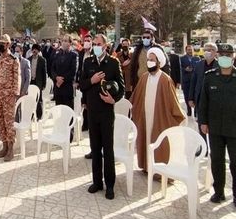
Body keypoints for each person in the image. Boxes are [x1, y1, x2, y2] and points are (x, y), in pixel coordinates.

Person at [79, 34, 125, 200]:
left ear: (105, 46)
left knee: (108, 149)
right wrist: (91, 80)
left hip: (106, 112)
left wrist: (114, 99)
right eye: (95, 44)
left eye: (99, 44)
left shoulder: (113, 63)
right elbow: (82, 85)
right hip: (92, 111)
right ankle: (97, 182)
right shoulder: (88, 62)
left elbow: (121, 87)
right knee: (95, 148)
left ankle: (110, 185)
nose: (96, 46)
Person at [130, 47, 186, 173]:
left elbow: (173, 103)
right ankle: (146, 166)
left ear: (159, 63)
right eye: (148, 59)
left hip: (160, 118)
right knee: (145, 138)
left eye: (152, 60)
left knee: (159, 142)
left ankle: (160, 170)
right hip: (145, 117)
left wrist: (178, 116)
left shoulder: (165, 79)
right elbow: (136, 98)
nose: (149, 62)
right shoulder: (144, 77)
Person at [199, 43, 236, 205]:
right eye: (222, 55)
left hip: (234, 128)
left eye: (228, 55)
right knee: (217, 161)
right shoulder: (210, 76)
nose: (225, 58)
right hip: (215, 127)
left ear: (233, 57)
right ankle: (219, 192)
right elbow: (203, 102)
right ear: (218, 57)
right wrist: (203, 122)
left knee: (235, 163)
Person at [0, 34, 20, 161]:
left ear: (8, 45)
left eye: (2, 43)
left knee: (9, 123)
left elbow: (17, 78)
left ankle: (10, 149)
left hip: (8, 97)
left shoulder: (14, 60)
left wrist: (14, 94)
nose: (0, 45)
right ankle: (4, 145)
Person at [188, 42, 218, 117]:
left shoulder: (219, 65)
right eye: (206, 50)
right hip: (200, 97)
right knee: (201, 121)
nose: (208, 52)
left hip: (214, 98)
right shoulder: (199, 65)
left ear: (216, 52)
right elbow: (193, 82)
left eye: (211, 50)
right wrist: (191, 98)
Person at [51, 34, 78, 108]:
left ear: (70, 43)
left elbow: (73, 71)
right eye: (62, 41)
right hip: (57, 87)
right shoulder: (57, 55)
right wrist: (56, 78)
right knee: (58, 110)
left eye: (66, 41)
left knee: (68, 112)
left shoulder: (73, 55)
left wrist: (62, 79)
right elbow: (53, 69)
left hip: (67, 88)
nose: (63, 43)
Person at [180, 45, 200, 117]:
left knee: (195, 96)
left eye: (191, 49)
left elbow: (199, 68)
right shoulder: (182, 58)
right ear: (186, 50)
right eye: (188, 50)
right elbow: (179, 68)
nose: (190, 51)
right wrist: (185, 69)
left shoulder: (197, 58)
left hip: (195, 81)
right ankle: (189, 110)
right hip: (186, 81)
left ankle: (195, 111)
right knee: (187, 96)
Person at [29, 44, 47, 120]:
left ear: (38, 51)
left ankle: (39, 116)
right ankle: (31, 115)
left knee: (39, 99)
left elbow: (44, 73)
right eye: (33, 49)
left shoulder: (42, 60)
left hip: (38, 82)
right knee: (30, 99)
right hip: (30, 82)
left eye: (36, 49)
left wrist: (44, 84)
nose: (34, 51)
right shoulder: (28, 59)